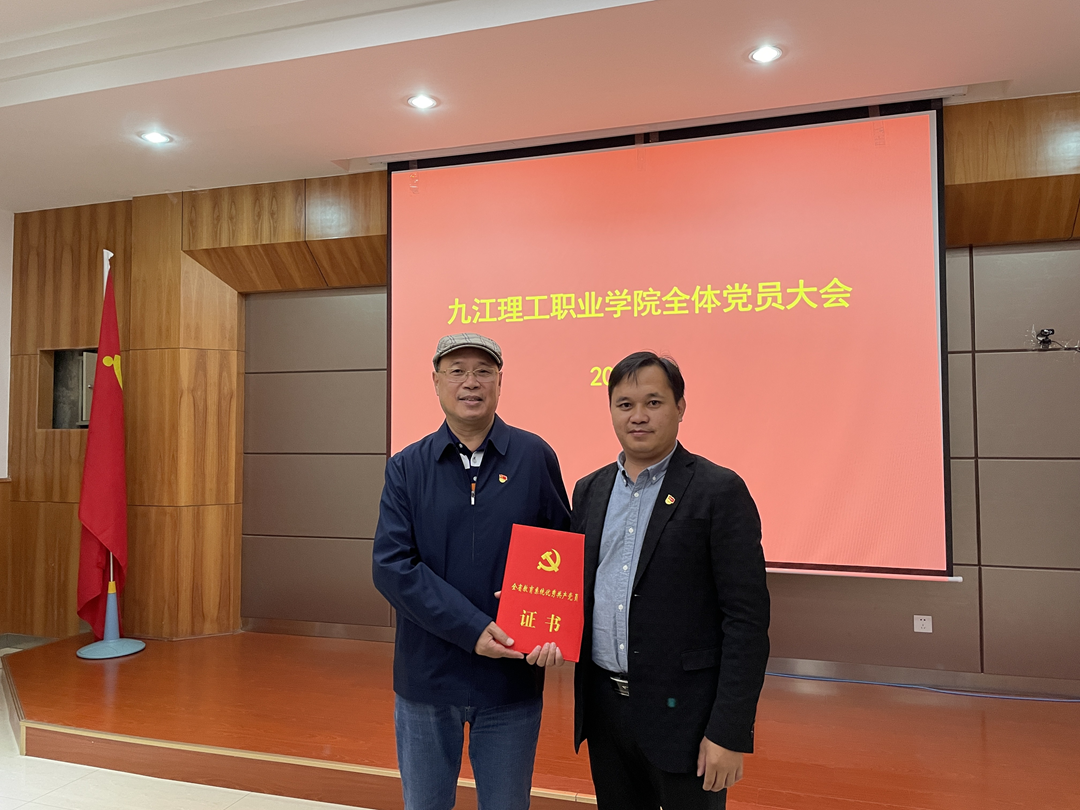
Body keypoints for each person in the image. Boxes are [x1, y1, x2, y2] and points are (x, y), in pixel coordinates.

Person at [372, 332, 571, 810]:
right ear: (436, 381)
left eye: (483, 371)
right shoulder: (407, 466)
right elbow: (392, 566)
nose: (471, 382)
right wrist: (471, 628)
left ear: (500, 382)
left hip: (510, 682)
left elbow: (561, 554)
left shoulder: (534, 456)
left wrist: (555, 628)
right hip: (427, 679)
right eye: (457, 371)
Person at [571, 351, 771, 810]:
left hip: (688, 720)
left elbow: (746, 621)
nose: (638, 416)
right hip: (605, 712)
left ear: (680, 407)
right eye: (625, 405)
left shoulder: (719, 490)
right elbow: (577, 589)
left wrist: (729, 732)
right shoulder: (590, 490)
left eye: (654, 402)